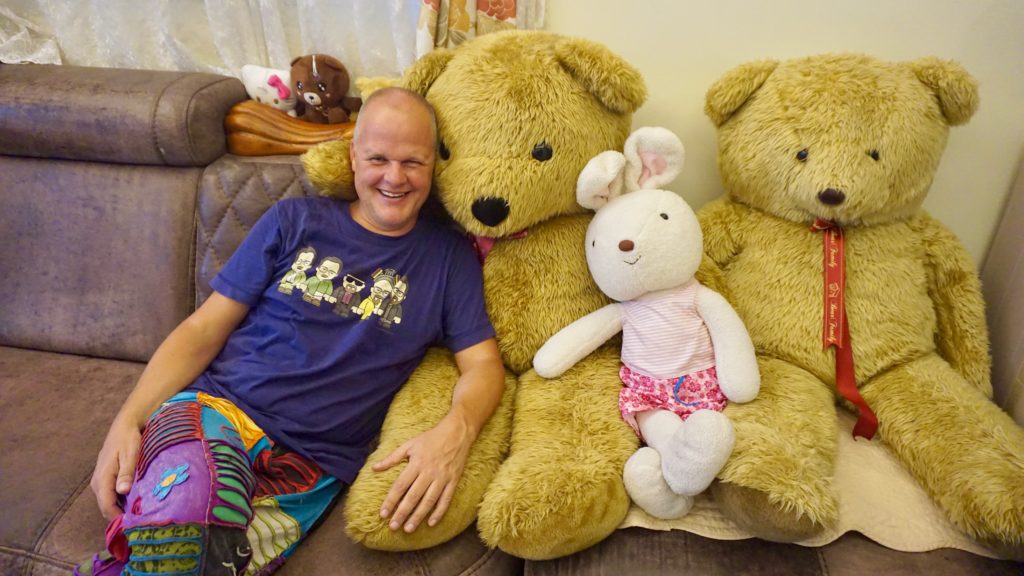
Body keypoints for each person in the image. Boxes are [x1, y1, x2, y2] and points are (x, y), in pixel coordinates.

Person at [76, 87, 504, 576]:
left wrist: (456, 431)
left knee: (215, 563)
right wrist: (128, 419)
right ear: (353, 157)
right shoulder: (293, 221)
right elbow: (203, 328)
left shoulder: (448, 259)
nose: (394, 177)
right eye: (378, 159)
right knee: (187, 527)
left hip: (311, 466)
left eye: (413, 162)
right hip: (218, 411)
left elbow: (483, 364)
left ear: (433, 165)